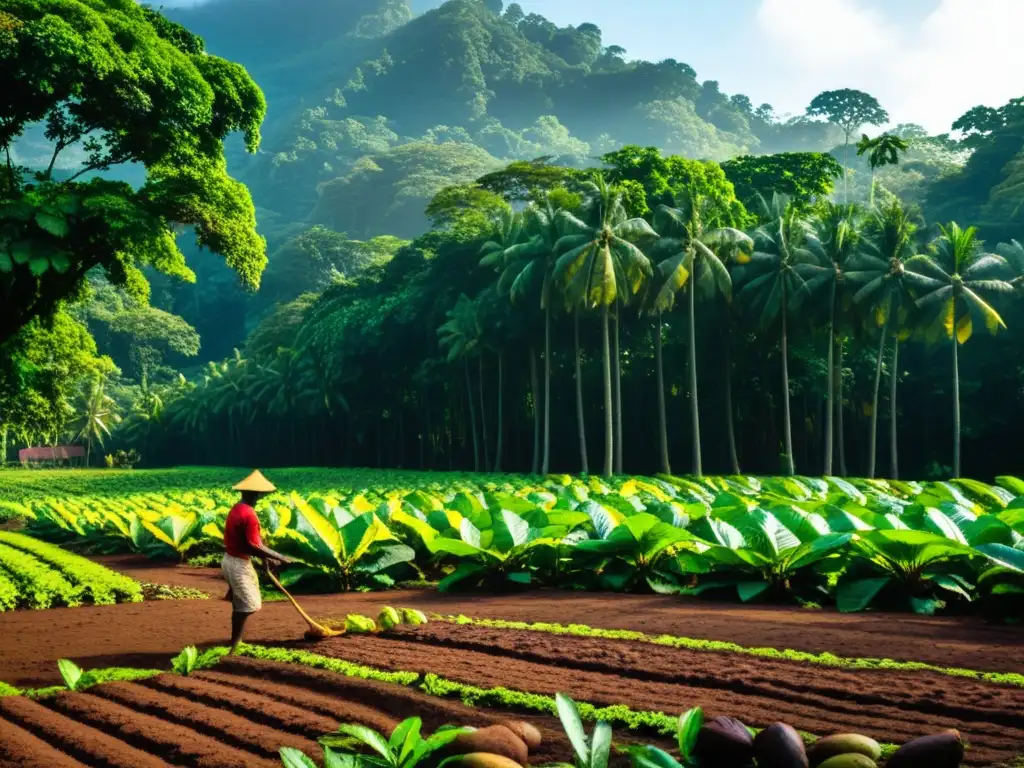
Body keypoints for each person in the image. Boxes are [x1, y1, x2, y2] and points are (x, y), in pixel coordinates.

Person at [222, 470, 292, 654]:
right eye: (258, 493)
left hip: (232, 560)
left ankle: (235, 641)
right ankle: (235, 644)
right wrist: (280, 557)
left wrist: (267, 558)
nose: (260, 496)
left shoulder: (237, 508)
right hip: (237, 563)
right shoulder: (249, 514)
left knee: (242, 602)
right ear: (255, 494)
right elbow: (253, 545)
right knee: (250, 604)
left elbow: (250, 543)